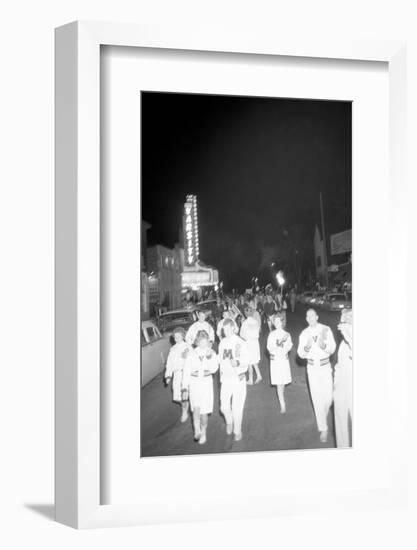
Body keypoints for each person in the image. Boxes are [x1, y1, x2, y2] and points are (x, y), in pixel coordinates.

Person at [297, 308, 336, 443]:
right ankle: (323, 428)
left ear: (317, 317)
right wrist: (307, 347)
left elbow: (332, 348)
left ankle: (322, 416)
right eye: (308, 316)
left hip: (325, 367)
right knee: (317, 398)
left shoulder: (326, 329)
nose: (310, 318)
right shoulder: (304, 334)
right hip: (312, 368)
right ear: (306, 319)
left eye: (312, 316)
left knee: (329, 398)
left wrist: (323, 345)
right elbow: (300, 354)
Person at [181, 330, 219, 444]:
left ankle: (204, 432)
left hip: (206, 384)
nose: (203, 344)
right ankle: (197, 430)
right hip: (194, 383)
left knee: (204, 412)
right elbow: (186, 371)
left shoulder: (211, 353)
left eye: (205, 342)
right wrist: (184, 388)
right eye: (201, 342)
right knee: (196, 408)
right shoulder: (192, 353)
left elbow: (214, 369)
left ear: (208, 342)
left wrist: (209, 357)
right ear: (197, 342)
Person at [218, 318, 249, 441]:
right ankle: (229, 421)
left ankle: (237, 430)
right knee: (224, 407)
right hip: (225, 379)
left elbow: (247, 359)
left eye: (227, 329)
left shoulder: (240, 342)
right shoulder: (222, 343)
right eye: (223, 329)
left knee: (237, 408)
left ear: (232, 328)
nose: (225, 331)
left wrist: (238, 362)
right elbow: (220, 360)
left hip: (238, 379)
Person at [333, 308, 353, 448]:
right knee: (340, 419)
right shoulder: (343, 343)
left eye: (348, 317)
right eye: (343, 317)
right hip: (341, 385)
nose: (344, 320)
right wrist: (336, 385)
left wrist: (350, 336)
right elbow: (339, 365)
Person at [267, 312, 293, 413]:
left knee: (283, 382)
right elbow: (269, 348)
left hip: (283, 360)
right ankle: (282, 404)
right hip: (276, 361)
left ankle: (282, 398)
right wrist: (277, 345)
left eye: (279, 321)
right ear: (274, 323)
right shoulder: (271, 335)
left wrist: (285, 347)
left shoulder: (287, 334)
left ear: (282, 323)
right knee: (278, 383)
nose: (277, 323)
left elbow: (289, 346)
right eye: (275, 321)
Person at [164, 327, 191, 423]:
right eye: (175, 337)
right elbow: (169, 363)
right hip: (176, 374)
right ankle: (186, 404)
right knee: (177, 397)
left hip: (185, 374)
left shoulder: (187, 346)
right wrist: (168, 375)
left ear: (183, 337)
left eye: (179, 336)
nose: (177, 338)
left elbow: (191, 360)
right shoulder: (173, 349)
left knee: (184, 394)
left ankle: (184, 411)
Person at [240, 307, 262, 385]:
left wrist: (242, 323)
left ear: (246, 314)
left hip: (248, 343)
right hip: (255, 343)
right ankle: (258, 375)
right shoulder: (256, 322)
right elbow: (258, 331)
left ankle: (250, 379)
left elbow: (242, 335)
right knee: (254, 360)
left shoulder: (245, 323)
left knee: (249, 361)